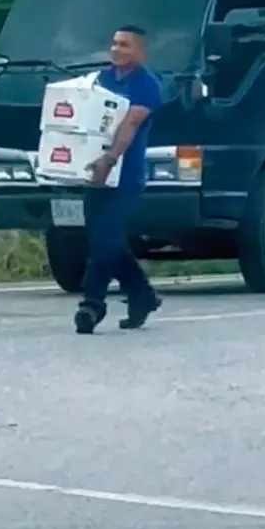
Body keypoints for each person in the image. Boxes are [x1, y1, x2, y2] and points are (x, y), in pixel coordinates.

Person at [74, 25, 163, 335]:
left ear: (140, 51)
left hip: (125, 176)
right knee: (105, 240)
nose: (116, 49)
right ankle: (142, 295)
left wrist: (110, 160)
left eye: (124, 45)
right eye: (113, 43)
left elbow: (130, 124)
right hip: (92, 173)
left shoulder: (148, 85)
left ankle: (92, 304)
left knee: (106, 240)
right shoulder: (101, 80)